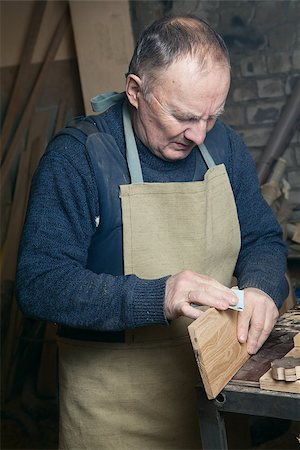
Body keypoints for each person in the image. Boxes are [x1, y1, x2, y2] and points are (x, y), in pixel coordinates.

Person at [16, 14, 289, 449]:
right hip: (113, 410)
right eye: (184, 116)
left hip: (215, 397)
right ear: (136, 91)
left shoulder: (224, 147)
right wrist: (158, 296)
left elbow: (261, 239)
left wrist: (261, 287)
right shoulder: (79, 158)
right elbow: (39, 284)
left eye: (212, 116)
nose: (199, 134)